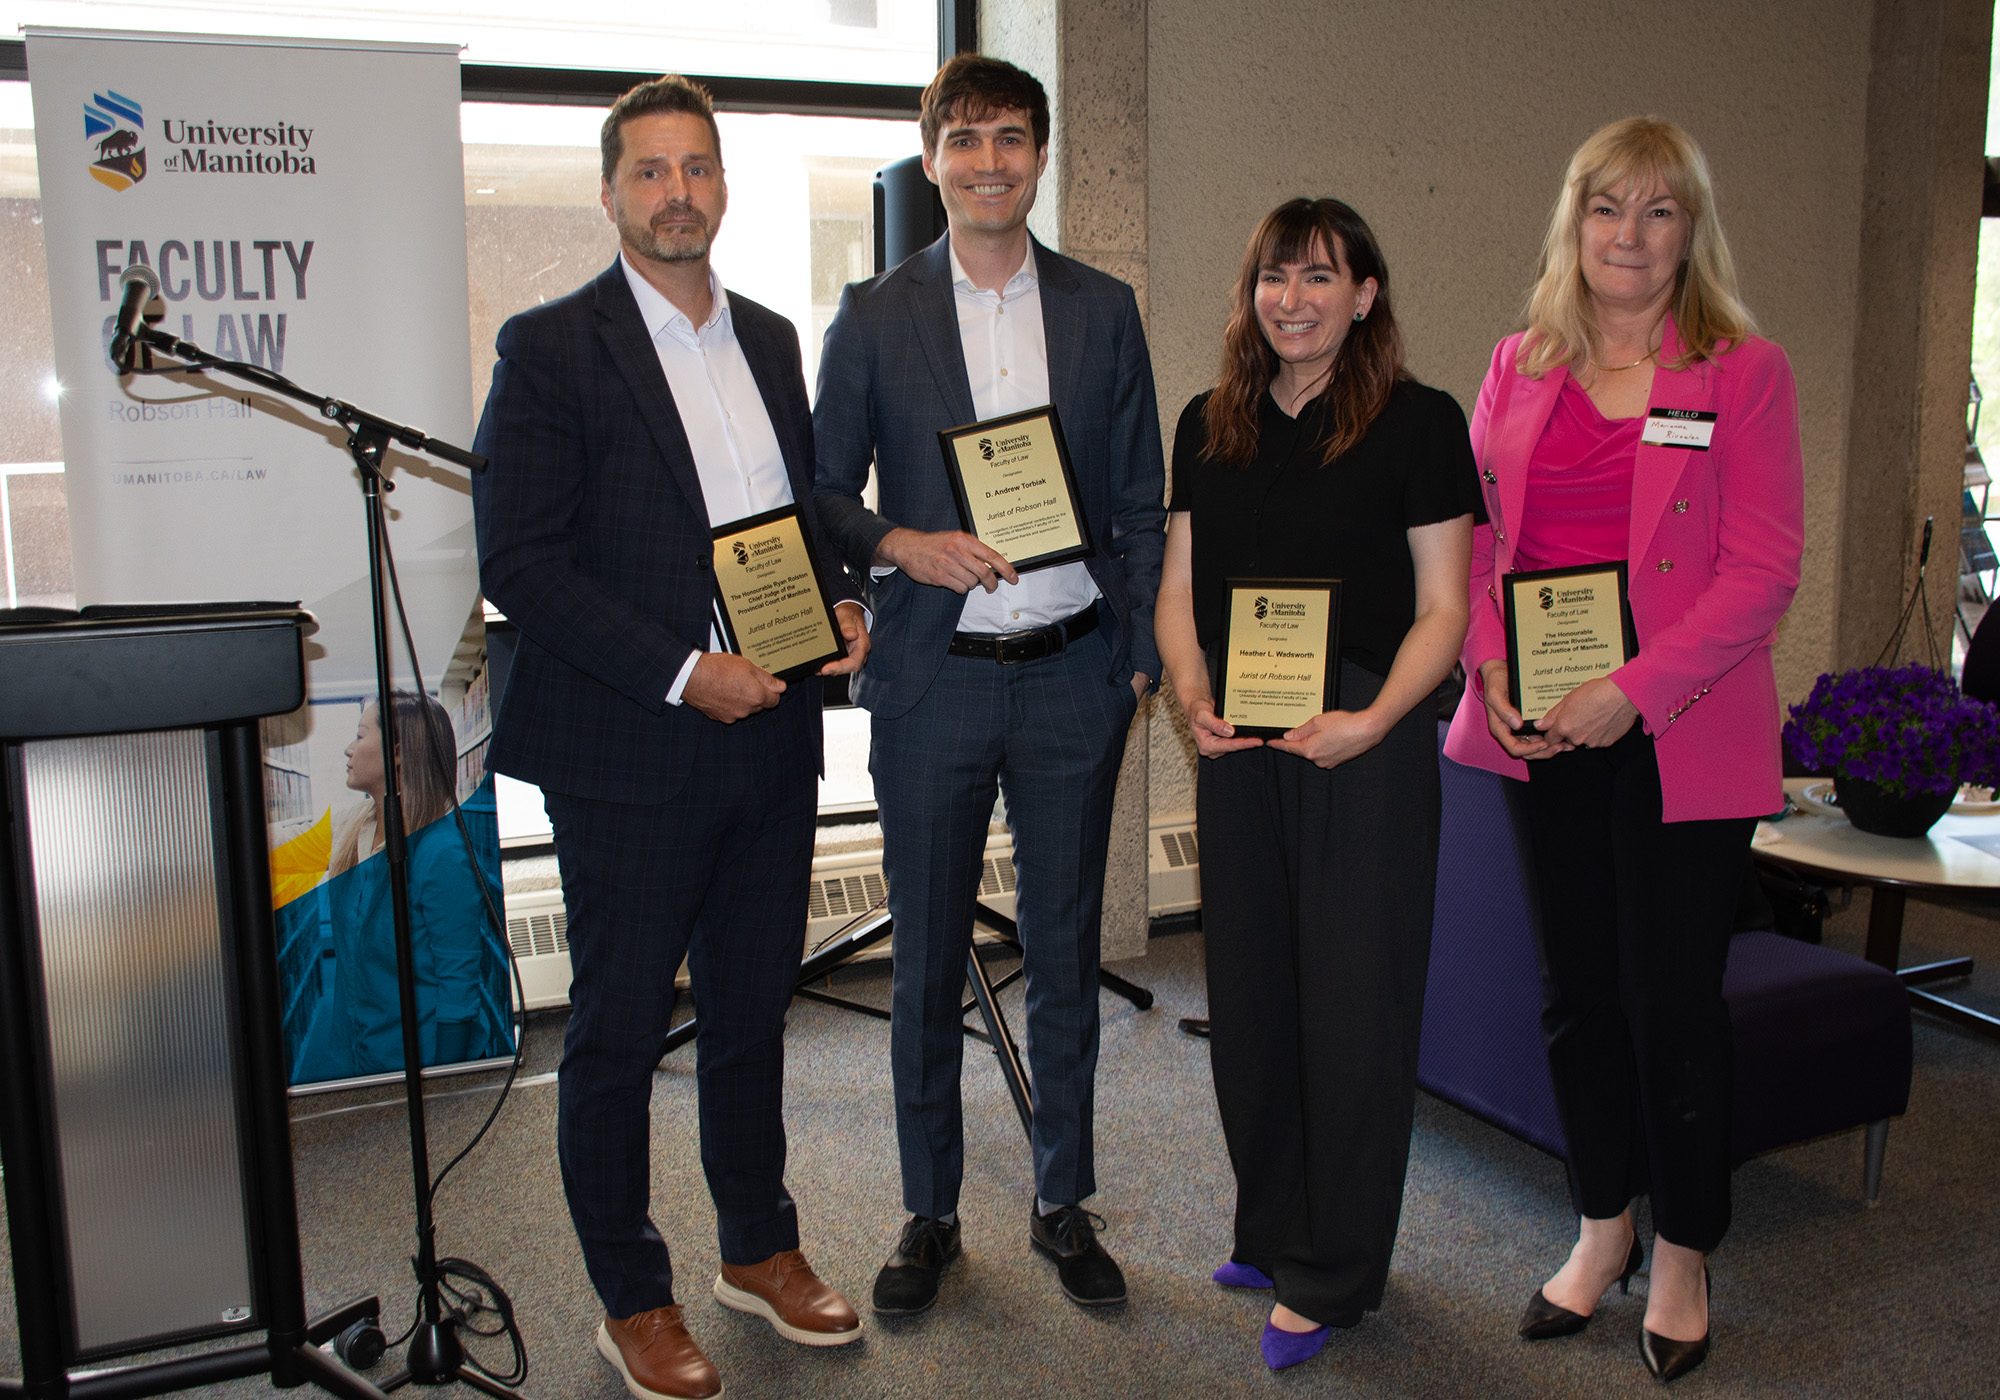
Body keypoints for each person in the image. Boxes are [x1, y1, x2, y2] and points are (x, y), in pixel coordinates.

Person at [471, 74, 872, 1400]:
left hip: (772, 732)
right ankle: (630, 1294)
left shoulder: (766, 338)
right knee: (623, 1027)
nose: (676, 192)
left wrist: (842, 610)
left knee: (755, 1010)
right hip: (632, 748)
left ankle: (756, 1246)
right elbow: (521, 562)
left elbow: (797, 518)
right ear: (609, 192)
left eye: (696, 168)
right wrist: (680, 670)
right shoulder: (550, 346)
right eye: (649, 171)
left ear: (721, 186)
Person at [1442, 116, 1804, 1383]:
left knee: (1668, 1001)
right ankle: (1600, 1227)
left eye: (1657, 212)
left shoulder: (1738, 373)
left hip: (1678, 733)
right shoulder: (1515, 362)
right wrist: (1487, 663)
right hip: (1539, 721)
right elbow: (1480, 542)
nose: (1629, 237)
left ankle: (1685, 1246)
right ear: (1572, 223)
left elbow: (1761, 571)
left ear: (1687, 231)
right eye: (1607, 209)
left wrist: (1631, 691)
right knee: (1574, 990)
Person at [813, 53, 1165, 1315]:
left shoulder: (1100, 308)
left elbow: (1138, 492)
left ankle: (1060, 1201)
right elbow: (821, 493)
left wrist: (1135, 657)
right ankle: (929, 1212)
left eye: (1011, 137)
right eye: (963, 139)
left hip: (1073, 674)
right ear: (930, 156)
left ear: (1042, 153)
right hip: (935, 681)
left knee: (1066, 952)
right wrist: (899, 545)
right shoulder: (872, 313)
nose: (988, 161)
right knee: (923, 964)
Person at [1153, 197, 1478, 1370]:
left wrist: (1377, 720)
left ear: (1363, 294)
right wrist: (1189, 691)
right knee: (1251, 993)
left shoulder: (1418, 422)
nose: (1290, 298)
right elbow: (1181, 585)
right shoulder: (1210, 419)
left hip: (1362, 742)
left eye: (1317, 277)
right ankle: (1272, 1224)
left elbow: (1446, 605)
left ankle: (1334, 1270)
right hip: (1241, 739)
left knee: (1350, 1006)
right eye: (1271, 278)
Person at [325, 692, 510, 1076]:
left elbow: (457, 988)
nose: (348, 749)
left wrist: (444, 1086)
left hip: (416, 1065)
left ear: (397, 752)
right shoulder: (354, 832)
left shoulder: (440, 852)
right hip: (361, 1061)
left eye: (359, 736)